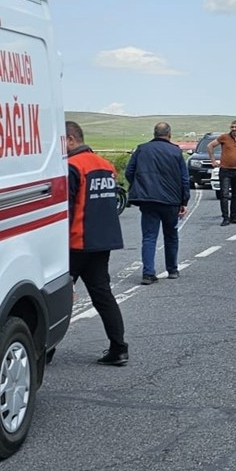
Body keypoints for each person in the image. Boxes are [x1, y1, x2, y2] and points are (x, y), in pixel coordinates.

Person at [65, 121, 128, 366]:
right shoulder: (106, 165)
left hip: (76, 242)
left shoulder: (72, 166)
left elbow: (66, 211)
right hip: (102, 242)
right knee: (103, 295)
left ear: (70, 139)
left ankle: (44, 351)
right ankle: (119, 348)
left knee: (57, 297)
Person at [126, 122, 189, 284]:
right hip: (171, 201)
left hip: (148, 200)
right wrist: (184, 201)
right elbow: (184, 179)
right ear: (169, 134)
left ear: (154, 134)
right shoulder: (176, 151)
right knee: (171, 236)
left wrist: (140, 186)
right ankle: (172, 269)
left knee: (149, 237)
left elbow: (129, 172)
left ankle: (148, 273)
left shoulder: (142, 149)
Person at [208, 120, 236, 226]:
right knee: (225, 195)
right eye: (232, 127)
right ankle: (225, 218)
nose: (234, 129)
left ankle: (234, 216)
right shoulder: (224, 137)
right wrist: (213, 160)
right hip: (225, 170)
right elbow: (210, 146)